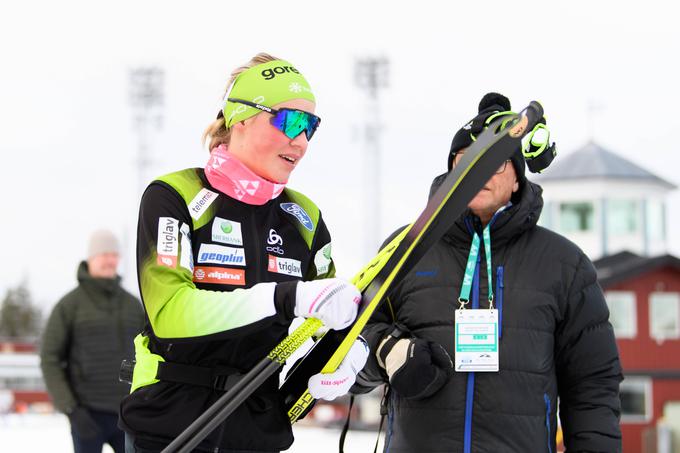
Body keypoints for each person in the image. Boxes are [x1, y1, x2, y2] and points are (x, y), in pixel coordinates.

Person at [118, 52, 368, 453]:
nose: (301, 141)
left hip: (255, 429)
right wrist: (285, 296)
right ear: (242, 117)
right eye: (291, 120)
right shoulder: (175, 195)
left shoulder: (303, 218)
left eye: (312, 126)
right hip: (170, 427)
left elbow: (330, 317)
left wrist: (350, 354)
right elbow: (169, 312)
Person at [354, 93, 623, 452]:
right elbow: (347, 355)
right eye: (466, 162)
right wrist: (386, 351)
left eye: (492, 164)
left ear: (516, 180)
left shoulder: (564, 264)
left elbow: (593, 385)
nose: (476, 174)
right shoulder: (405, 250)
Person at [41, 229, 144, 453]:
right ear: (91, 258)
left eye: (114, 254)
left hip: (128, 412)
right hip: (87, 415)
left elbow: (151, 351)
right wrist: (71, 409)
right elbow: (49, 359)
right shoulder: (69, 306)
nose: (110, 260)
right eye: (103, 254)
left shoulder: (133, 305)